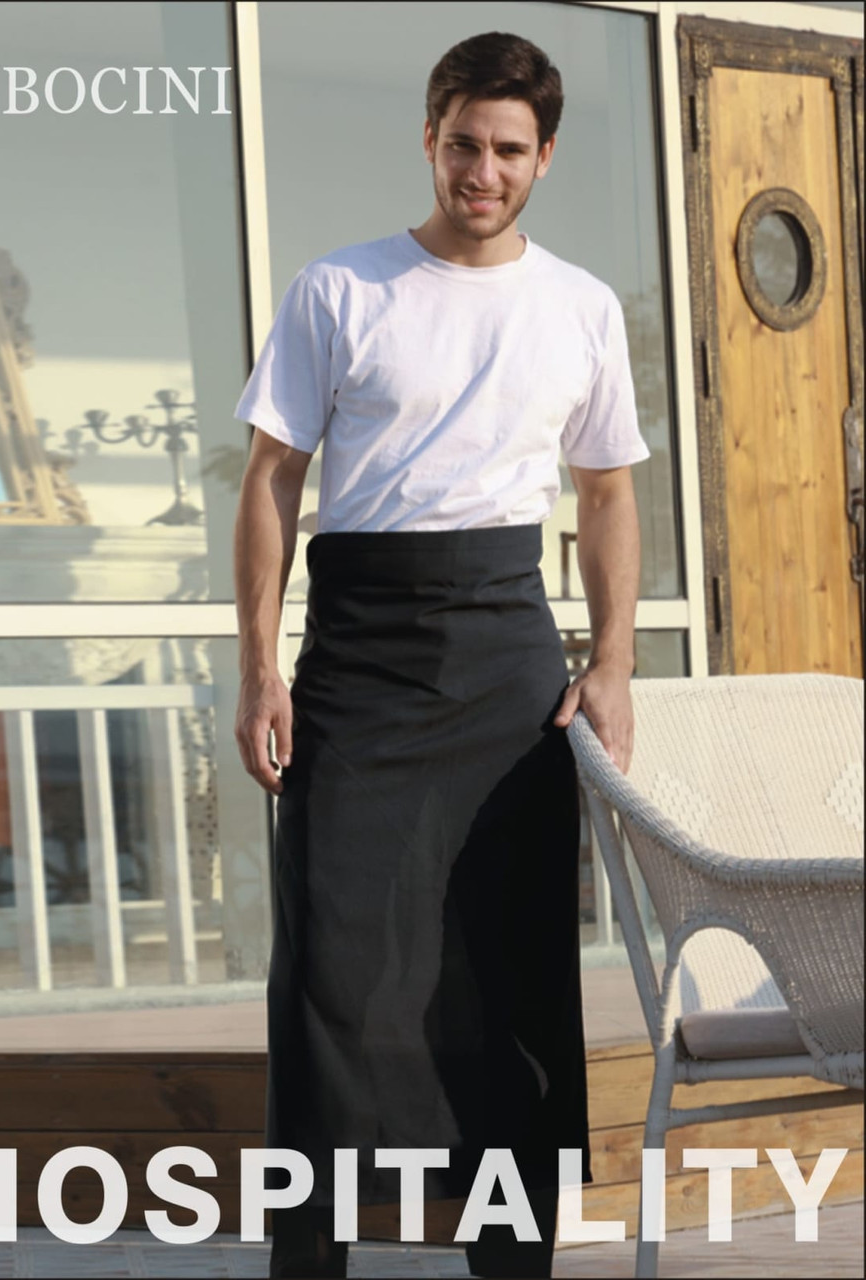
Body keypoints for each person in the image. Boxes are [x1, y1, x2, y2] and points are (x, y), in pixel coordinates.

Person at [232, 30, 649, 1279]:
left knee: (509, 957)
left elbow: (610, 493)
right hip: (357, 654)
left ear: (543, 157)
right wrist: (262, 663)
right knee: (335, 962)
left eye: (508, 149)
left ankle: (509, 1256)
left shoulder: (579, 306)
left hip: (505, 651)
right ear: (430, 138)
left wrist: (613, 656)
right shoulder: (339, 289)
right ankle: (311, 1255)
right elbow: (271, 482)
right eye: (463, 143)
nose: (483, 169)